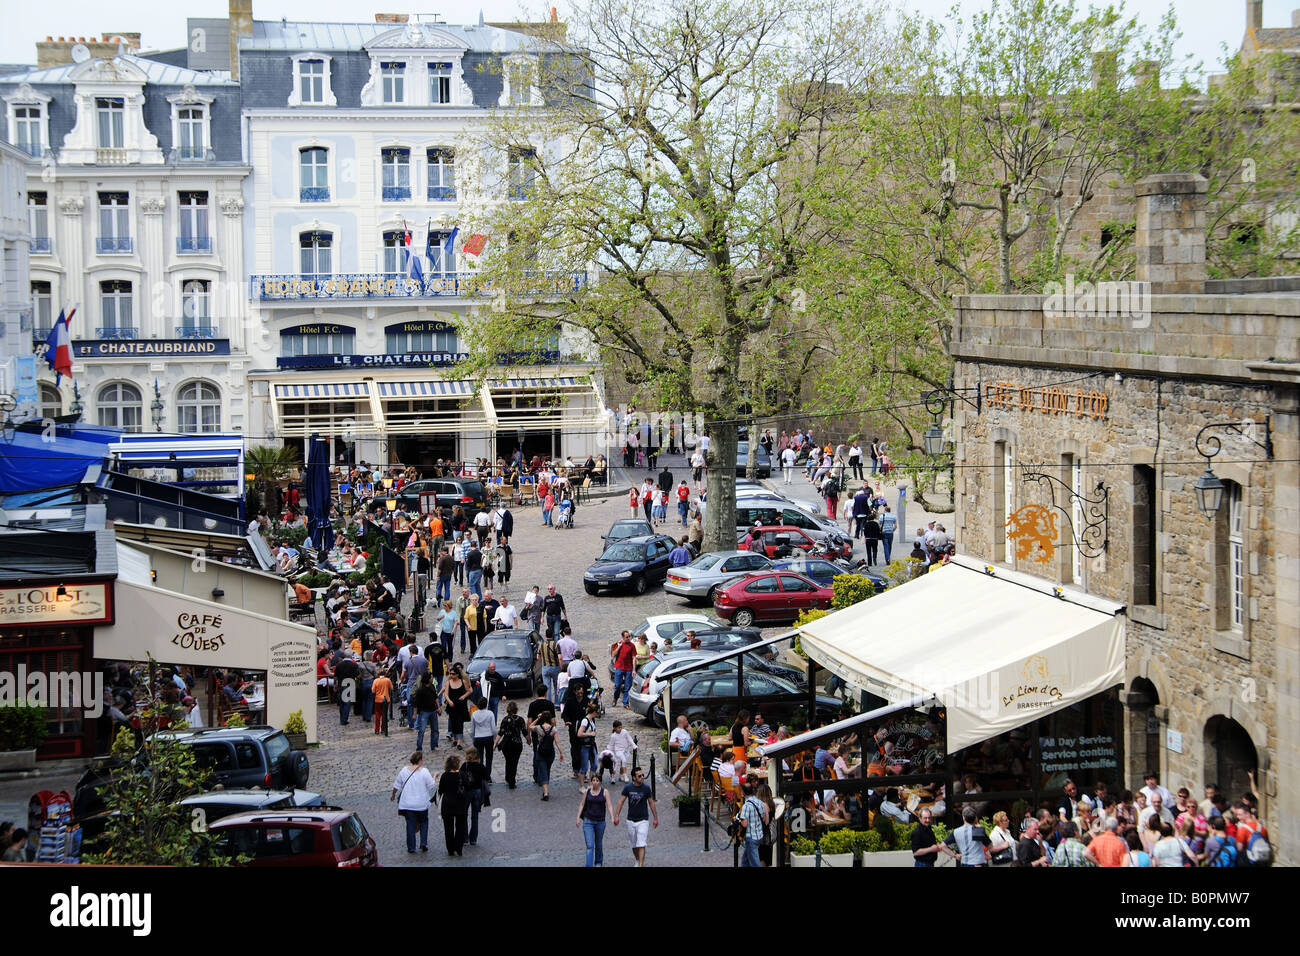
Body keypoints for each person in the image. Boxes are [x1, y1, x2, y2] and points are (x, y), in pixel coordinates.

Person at [392, 751, 437, 854]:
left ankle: (411, 847)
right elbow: (431, 786)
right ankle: (423, 843)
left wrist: (393, 795)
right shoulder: (424, 771)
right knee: (424, 822)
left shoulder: (404, 771)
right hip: (421, 804)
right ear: (420, 760)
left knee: (410, 825)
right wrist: (435, 776)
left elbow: (396, 786)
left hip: (408, 804)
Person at [612, 767, 658, 867]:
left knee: (641, 843)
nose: (642, 777)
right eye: (639, 776)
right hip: (631, 820)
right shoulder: (628, 788)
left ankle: (641, 864)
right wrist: (616, 816)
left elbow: (651, 802)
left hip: (643, 820)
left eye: (643, 775)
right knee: (633, 844)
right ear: (634, 778)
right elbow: (621, 801)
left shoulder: (646, 788)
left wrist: (655, 818)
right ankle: (637, 859)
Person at [577, 773, 612, 867]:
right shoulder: (587, 792)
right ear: (591, 782)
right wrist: (578, 818)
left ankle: (598, 862)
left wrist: (612, 816)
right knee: (590, 845)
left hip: (600, 821)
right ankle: (588, 865)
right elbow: (582, 804)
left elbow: (609, 805)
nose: (595, 782)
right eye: (594, 780)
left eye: (597, 780)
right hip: (588, 821)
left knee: (598, 843)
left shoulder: (605, 792)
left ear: (600, 782)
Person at [437, 754, 468, 856]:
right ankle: (459, 848)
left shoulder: (444, 776)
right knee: (460, 827)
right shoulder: (462, 775)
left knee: (448, 828)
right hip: (460, 804)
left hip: (447, 804)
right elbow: (467, 786)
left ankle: (450, 849)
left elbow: (441, 790)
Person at [460, 745, 490, 847]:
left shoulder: (465, 766)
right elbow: (487, 777)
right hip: (477, 791)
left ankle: (464, 838)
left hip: (467, 791)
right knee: (475, 816)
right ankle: (473, 839)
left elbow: (460, 777)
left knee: (464, 814)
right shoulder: (480, 766)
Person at [736, 780, 768, 868]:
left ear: (743, 792)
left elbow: (745, 824)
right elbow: (764, 818)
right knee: (745, 861)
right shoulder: (760, 802)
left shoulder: (746, 806)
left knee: (755, 863)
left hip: (751, 837)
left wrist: (739, 819)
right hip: (760, 835)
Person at [495, 701, 527, 789]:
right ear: (516, 709)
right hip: (517, 743)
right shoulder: (520, 719)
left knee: (508, 761)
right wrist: (528, 740)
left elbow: (501, 732)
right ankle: (511, 780)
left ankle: (508, 777)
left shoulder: (505, 719)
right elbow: (524, 731)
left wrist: (495, 743)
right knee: (514, 762)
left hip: (506, 743)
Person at [441, 664, 472, 749]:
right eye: (450, 673)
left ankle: (459, 742)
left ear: (457, 674)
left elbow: (469, 691)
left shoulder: (463, 682)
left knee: (460, 723)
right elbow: (446, 694)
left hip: (461, 706)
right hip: (452, 706)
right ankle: (455, 739)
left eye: (453, 674)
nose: (451, 675)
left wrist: (464, 696)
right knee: (453, 722)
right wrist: (449, 701)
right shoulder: (448, 683)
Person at [412, 674, 441, 752]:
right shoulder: (420, 690)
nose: (432, 678)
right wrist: (414, 714)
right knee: (422, 730)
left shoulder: (432, 687)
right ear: (428, 679)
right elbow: (416, 703)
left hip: (433, 710)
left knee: (435, 729)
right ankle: (419, 747)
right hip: (424, 712)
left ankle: (434, 745)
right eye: (431, 677)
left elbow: (436, 697)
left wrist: (438, 707)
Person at [610, 630, 637, 708]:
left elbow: (634, 657)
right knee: (617, 685)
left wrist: (634, 669)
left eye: (629, 637)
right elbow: (613, 655)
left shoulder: (632, 645)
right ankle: (615, 698)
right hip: (619, 667)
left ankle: (625, 702)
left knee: (627, 686)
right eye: (627, 637)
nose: (628, 638)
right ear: (623, 637)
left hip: (628, 668)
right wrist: (619, 647)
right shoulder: (619, 643)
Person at [576, 703, 600, 778]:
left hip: (591, 745)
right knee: (584, 767)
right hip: (585, 746)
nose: (597, 714)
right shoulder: (585, 721)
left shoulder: (591, 721)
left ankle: (590, 784)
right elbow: (579, 734)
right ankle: (582, 786)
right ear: (594, 712)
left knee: (595, 765)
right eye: (597, 712)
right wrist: (590, 734)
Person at [371, 665, 393, 736]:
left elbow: (373, 691)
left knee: (377, 715)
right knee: (384, 715)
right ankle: (383, 729)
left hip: (377, 699)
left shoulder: (375, 681)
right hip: (386, 699)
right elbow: (392, 688)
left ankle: (377, 730)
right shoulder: (387, 680)